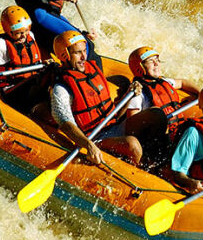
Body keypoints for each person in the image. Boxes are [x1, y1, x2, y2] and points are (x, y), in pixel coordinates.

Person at [50, 30, 143, 166]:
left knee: (154, 116)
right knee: (132, 144)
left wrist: (129, 94)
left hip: (114, 124)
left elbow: (115, 114)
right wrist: (88, 145)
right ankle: (138, 173)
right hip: (96, 137)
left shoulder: (92, 70)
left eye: (84, 51)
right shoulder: (62, 88)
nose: (83, 57)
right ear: (65, 55)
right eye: (77, 53)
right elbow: (65, 124)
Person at [124, 46, 201, 159]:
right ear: (139, 67)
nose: (156, 64)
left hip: (176, 131)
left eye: (157, 60)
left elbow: (182, 82)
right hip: (157, 141)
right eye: (151, 61)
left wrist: (201, 94)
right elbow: (132, 126)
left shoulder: (165, 81)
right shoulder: (138, 93)